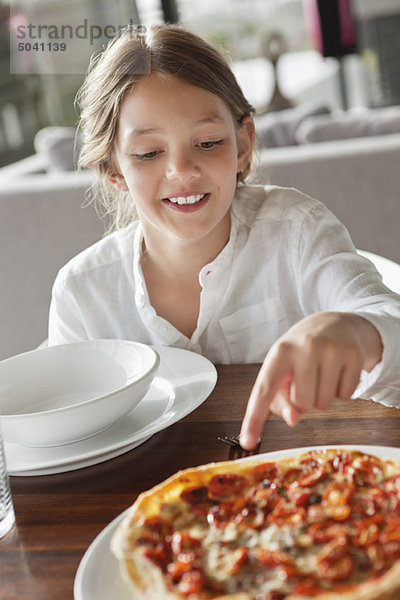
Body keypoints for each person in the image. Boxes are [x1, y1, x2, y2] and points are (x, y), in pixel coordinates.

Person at [48, 24, 400, 450]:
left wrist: (358, 331)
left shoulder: (297, 230)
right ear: (114, 171)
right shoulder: (82, 294)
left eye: (209, 142)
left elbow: (382, 315)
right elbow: (65, 437)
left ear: (243, 144)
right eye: (148, 153)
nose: (182, 170)